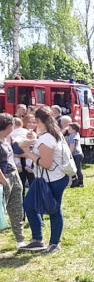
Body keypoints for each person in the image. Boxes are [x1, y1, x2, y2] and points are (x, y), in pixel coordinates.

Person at [19, 107, 71, 254]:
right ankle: (38, 240)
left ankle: (53, 243)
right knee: (30, 205)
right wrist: (34, 139)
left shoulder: (47, 138)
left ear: (40, 121)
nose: (34, 124)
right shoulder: (51, 134)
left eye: (35, 121)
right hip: (51, 178)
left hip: (52, 179)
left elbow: (46, 164)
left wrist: (28, 153)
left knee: (53, 210)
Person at [0, 114, 25, 248]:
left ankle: (20, 240)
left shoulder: (7, 139)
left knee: (16, 208)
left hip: (13, 176)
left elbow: (18, 149)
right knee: (1, 210)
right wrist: (4, 181)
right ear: (9, 126)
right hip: (3, 178)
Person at [65, 123, 84, 188]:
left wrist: (69, 154)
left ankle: (79, 182)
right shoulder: (76, 134)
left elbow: (72, 146)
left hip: (76, 155)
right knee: (77, 169)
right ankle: (77, 182)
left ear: (74, 130)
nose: (68, 129)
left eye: (70, 128)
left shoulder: (72, 136)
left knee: (76, 169)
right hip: (79, 154)